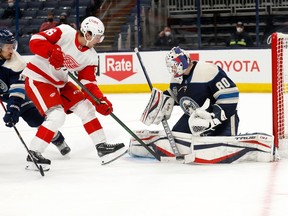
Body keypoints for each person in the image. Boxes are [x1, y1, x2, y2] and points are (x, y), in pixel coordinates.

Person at [129, 47, 274, 163]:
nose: (172, 70)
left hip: (222, 117)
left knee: (221, 144)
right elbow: (175, 95)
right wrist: (162, 102)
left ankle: (253, 142)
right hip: (194, 118)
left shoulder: (207, 71)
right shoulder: (176, 78)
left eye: (174, 66)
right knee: (177, 138)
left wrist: (213, 118)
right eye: (170, 67)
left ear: (182, 62)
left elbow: (230, 94)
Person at [22, 16, 126, 170]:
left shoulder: (91, 56)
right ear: (88, 34)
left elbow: (88, 83)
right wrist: (51, 51)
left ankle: (102, 146)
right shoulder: (65, 32)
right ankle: (34, 153)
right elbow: (35, 40)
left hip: (60, 83)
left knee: (87, 108)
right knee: (57, 116)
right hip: (38, 78)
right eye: (98, 37)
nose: (99, 41)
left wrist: (100, 100)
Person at [0, 29, 71, 164]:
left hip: (18, 93)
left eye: (12, 46)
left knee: (34, 119)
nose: (11, 50)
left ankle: (58, 139)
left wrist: (13, 109)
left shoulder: (17, 63)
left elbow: (17, 91)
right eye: (8, 47)